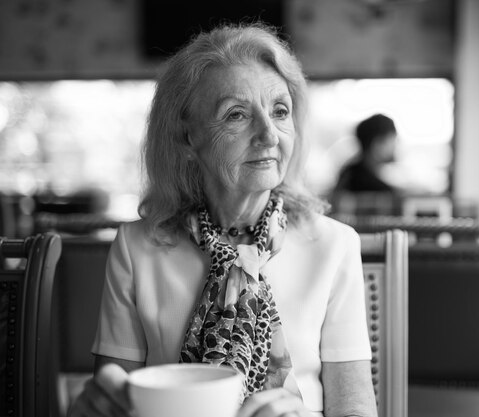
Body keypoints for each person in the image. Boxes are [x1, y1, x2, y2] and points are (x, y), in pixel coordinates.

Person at [68, 23, 377, 417]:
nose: (269, 134)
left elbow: (355, 408)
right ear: (186, 139)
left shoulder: (334, 245)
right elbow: (114, 401)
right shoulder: (136, 247)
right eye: (236, 115)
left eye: (280, 111)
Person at [334, 114, 398, 193]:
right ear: (377, 144)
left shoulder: (349, 172)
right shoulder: (377, 189)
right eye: (392, 140)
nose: (395, 146)